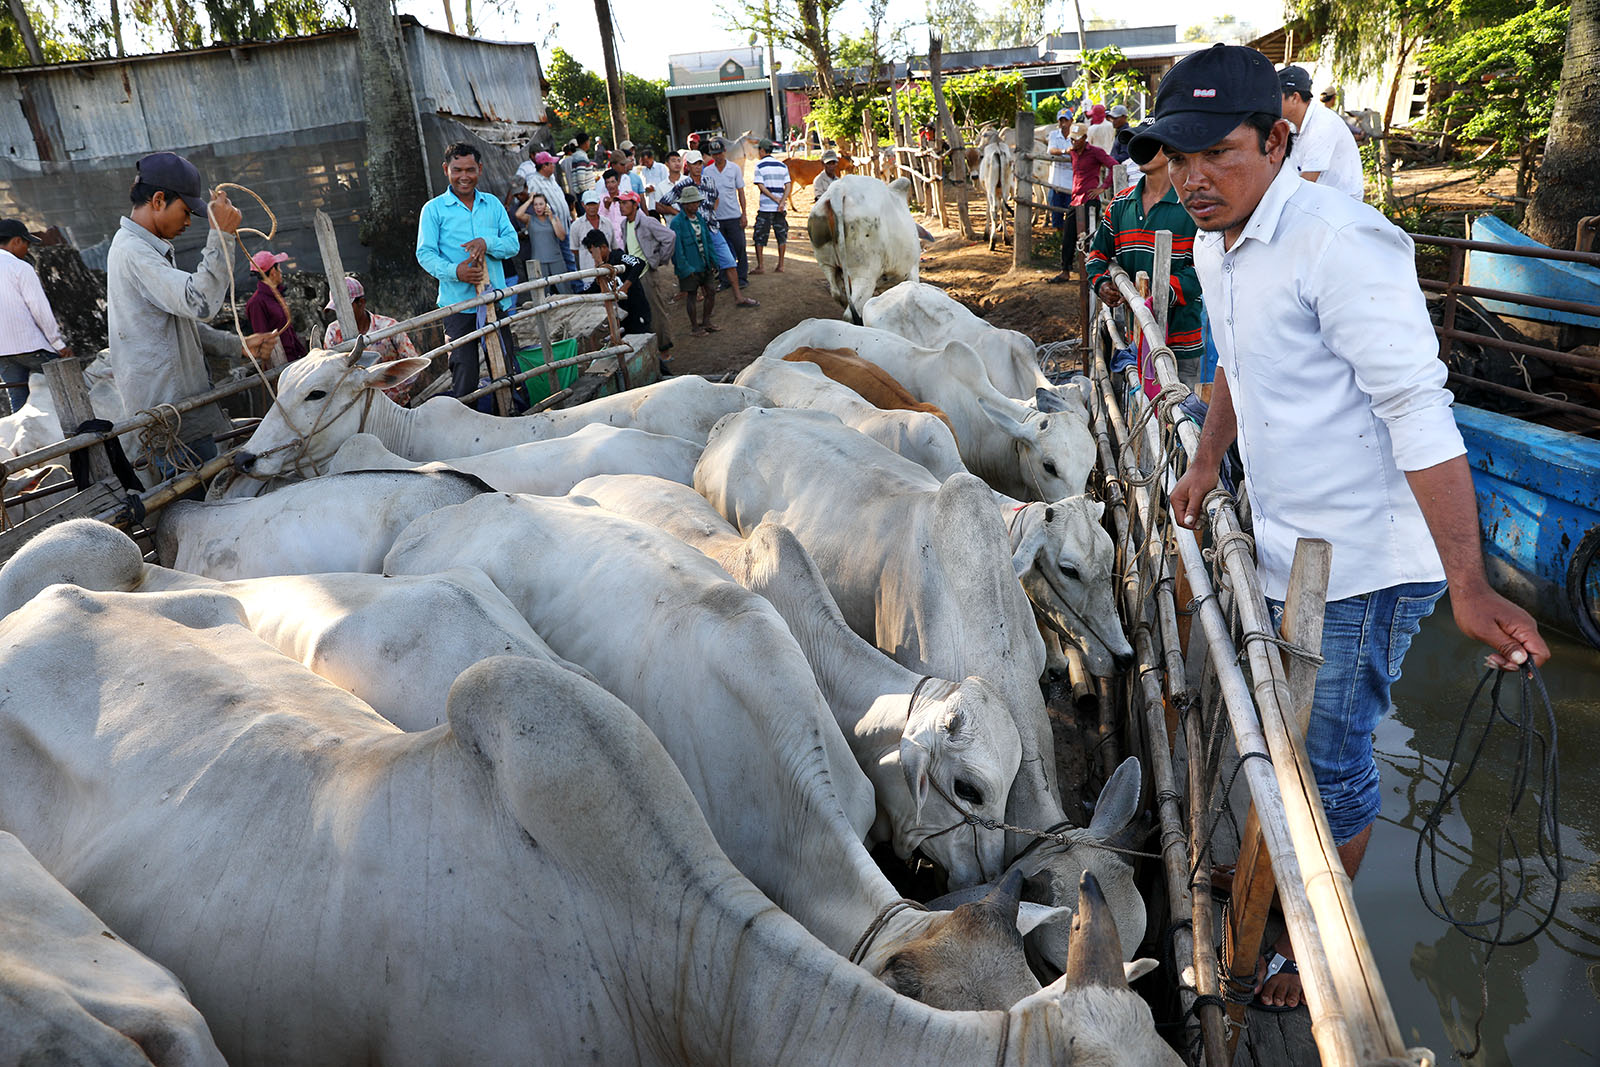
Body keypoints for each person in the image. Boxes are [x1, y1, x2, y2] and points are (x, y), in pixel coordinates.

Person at [1134, 43, 1550, 1010]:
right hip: (1283, 538)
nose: (1192, 177)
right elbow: (1233, 360)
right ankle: (1280, 889)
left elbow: (1416, 407)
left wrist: (1471, 582)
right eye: (1175, 155)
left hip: (1359, 558)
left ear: (1278, 139)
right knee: (1287, 738)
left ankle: (1301, 937)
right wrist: (1204, 460)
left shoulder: (1338, 240)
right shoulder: (1212, 239)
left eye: (1216, 153)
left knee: (1330, 762)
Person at [106, 152, 275, 479]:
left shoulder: (145, 249)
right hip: (172, 423)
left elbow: (178, 323)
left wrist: (236, 345)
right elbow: (200, 303)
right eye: (185, 212)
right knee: (197, 514)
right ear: (158, 200)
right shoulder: (133, 252)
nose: (187, 223)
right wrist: (221, 237)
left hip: (182, 417)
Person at [1085, 136, 1205, 385]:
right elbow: (1097, 255)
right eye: (1138, 143)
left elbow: (1207, 269)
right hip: (1134, 339)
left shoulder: (1195, 206)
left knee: (1181, 418)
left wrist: (1161, 291)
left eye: (1151, 143)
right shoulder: (1120, 205)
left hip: (1180, 342)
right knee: (1138, 416)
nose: (1141, 149)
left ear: (1171, 150)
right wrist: (1102, 283)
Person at [414, 141, 521, 400]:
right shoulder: (433, 209)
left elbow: (513, 244)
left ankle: (511, 416)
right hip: (457, 305)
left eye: (470, 170)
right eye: (457, 169)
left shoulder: (493, 205)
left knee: (506, 367)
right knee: (464, 372)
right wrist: (455, 272)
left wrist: (488, 243)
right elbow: (424, 253)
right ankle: (467, 428)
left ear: (480, 169)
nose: (464, 176)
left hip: (494, 300)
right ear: (446, 169)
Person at [0, 217, 72, 414]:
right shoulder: (20, 267)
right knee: (66, 393)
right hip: (30, 345)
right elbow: (39, 308)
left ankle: (30, 445)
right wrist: (59, 345)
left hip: (2, 353)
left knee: (20, 406)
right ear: (16, 241)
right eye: (26, 244)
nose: (28, 250)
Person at [320, 277, 423, 404]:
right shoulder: (333, 331)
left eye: (345, 309)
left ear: (361, 303)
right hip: (355, 407)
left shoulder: (388, 326)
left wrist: (393, 394)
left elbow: (413, 365)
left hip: (394, 404)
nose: (341, 314)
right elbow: (330, 373)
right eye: (338, 310)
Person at [1278, 65, 1364, 199]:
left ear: (1295, 97)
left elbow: (1307, 183)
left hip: (1342, 205)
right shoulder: (1292, 126)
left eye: (1277, 96)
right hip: (1320, 199)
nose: (1272, 102)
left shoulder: (1322, 124)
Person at [1047, 122, 1116, 284]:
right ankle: (1066, 271)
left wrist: (1103, 187)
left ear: (1085, 138)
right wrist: (1065, 150)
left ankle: (1093, 273)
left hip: (1090, 200)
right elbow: (1052, 150)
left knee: (1089, 238)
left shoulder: (1095, 153)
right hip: (1075, 200)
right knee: (1068, 237)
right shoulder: (1072, 152)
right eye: (1071, 139)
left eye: (1076, 139)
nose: (1073, 142)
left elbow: (1114, 165)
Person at [617, 190, 677, 360]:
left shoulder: (647, 222)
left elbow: (670, 236)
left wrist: (658, 260)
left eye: (625, 203)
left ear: (635, 205)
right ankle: (651, 350)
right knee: (641, 311)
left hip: (647, 274)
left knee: (656, 311)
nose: (621, 206)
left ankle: (665, 350)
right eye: (620, 203)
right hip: (634, 274)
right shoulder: (624, 224)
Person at [580, 229, 651, 337]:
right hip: (623, 316)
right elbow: (593, 288)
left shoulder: (619, 256)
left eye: (593, 253)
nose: (593, 257)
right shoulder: (602, 270)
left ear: (603, 247)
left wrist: (625, 286)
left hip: (638, 309)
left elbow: (639, 263)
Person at [668, 185, 719, 335]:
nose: (695, 205)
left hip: (704, 263)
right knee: (691, 295)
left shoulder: (700, 219)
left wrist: (713, 260)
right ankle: (694, 327)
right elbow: (677, 249)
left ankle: (706, 321)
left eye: (697, 202)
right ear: (685, 204)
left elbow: (708, 241)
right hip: (690, 266)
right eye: (692, 203)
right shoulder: (677, 222)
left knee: (711, 291)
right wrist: (685, 268)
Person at [244, 250, 308, 364]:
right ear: (273, 271)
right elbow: (263, 340)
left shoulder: (276, 296)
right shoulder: (257, 303)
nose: (281, 271)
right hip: (281, 364)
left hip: (294, 359)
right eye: (279, 268)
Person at [705, 138, 749, 288]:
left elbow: (741, 193)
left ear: (725, 152)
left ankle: (742, 278)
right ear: (711, 155)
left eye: (719, 153)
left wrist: (744, 214)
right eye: (714, 154)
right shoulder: (708, 171)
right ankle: (725, 281)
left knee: (740, 248)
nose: (717, 156)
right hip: (716, 218)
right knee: (721, 251)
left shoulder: (734, 169)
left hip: (734, 216)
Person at [751, 138, 792, 274]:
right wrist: (781, 201)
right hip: (780, 208)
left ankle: (760, 266)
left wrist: (774, 198)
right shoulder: (782, 166)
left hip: (765, 208)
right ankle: (781, 265)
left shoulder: (759, 166)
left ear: (762, 150)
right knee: (781, 234)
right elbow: (788, 185)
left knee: (760, 235)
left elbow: (761, 186)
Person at [516, 191, 570, 294]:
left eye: (541, 204)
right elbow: (518, 214)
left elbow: (562, 237)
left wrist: (552, 219)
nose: (538, 207)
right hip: (538, 261)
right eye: (535, 204)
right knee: (541, 292)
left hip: (556, 258)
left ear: (546, 205)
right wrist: (530, 200)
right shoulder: (530, 219)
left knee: (564, 288)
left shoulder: (554, 218)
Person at [568, 189, 617, 277]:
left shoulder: (607, 223)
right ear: (583, 204)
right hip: (588, 273)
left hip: (609, 271)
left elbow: (613, 246)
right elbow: (574, 249)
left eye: (594, 204)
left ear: (599, 204)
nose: (592, 207)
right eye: (588, 204)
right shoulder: (576, 226)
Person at [636, 145, 670, 213]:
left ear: (652, 158)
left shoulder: (661, 167)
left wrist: (654, 188)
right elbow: (642, 185)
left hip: (662, 201)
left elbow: (666, 183)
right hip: (650, 203)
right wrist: (646, 189)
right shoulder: (643, 171)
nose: (646, 164)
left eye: (647, 161)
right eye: (644, 162)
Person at [598, 169, 626, 235]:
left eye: (613, 182)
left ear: (618, 182)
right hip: (608, 238)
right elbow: (598, 221)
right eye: (607, 183)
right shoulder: (600, 199)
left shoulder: (625, 198)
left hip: (624, 238)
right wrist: (606, 208)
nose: (610, 185)